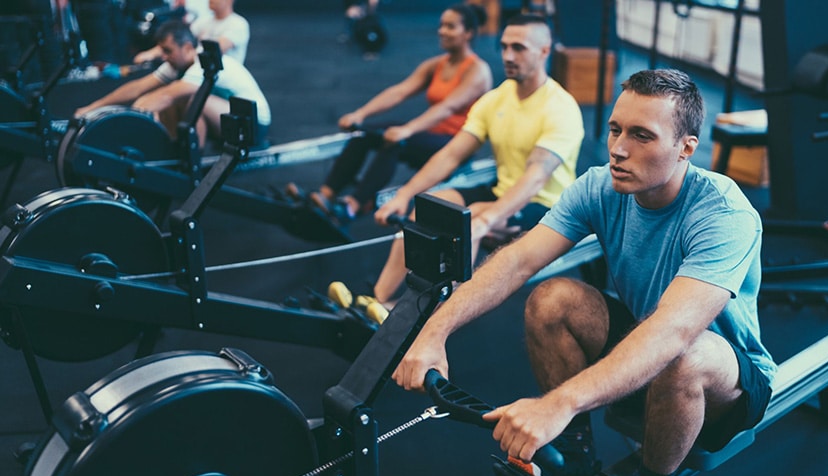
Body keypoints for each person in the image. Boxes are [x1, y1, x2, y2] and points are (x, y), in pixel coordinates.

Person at [391, 69, 777, 476]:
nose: (618, 149)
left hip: (726, 380)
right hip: (647, 345)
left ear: (686, 148)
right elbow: (517, 261)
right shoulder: (600, 186)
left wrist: (559, 403)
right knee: (552, 299)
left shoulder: (724, 215)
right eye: (615, 130)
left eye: (641, 136)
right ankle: (576, 453)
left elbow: (673, 332)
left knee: (683, 355)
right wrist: (433, 333)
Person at [369, 14, 583, 306]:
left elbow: (536, 177)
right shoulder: (496, 98)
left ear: (544, 51)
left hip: (548, 205)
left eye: (518, 48)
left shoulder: (561, 108)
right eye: (504, 46)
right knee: (426, 209)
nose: (507, 55)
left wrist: (491, 217)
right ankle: (376, 301)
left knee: (470, 221)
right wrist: (404, 195)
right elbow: (451, 154)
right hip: (503, 190)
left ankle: (440, 316)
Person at [301, 3, 493, 225]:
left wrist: (407, 130)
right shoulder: (436, 65)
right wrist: (360, 114)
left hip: (456, 144)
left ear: (468, 33)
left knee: (394, 141)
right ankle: (326, 195)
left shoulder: (477, 70)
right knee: (365, 133)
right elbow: (399, 91)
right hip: (430, 135)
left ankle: (354, 205)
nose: (442, 31)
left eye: (450, 26)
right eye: (441, 25)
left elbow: (447, 107)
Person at [74, 19, 270, 146]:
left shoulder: (201, 64)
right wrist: (92, 108)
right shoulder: (177, 63)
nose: (164, 57)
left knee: (186, 97)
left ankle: (192, 164)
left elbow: (167, 95)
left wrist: (124, 124)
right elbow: (138, 87)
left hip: (253, 125)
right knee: (172, 97)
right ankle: (174, 149)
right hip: (228, 119)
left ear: (186, 47)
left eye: (168, 51)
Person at [133, 0, 249, 64]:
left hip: (223, 77)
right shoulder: (204, 21)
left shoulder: (238, 24)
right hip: (199, 73)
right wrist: (150, 54)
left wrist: (181, 55)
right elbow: (177, 39)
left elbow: (214, 50)